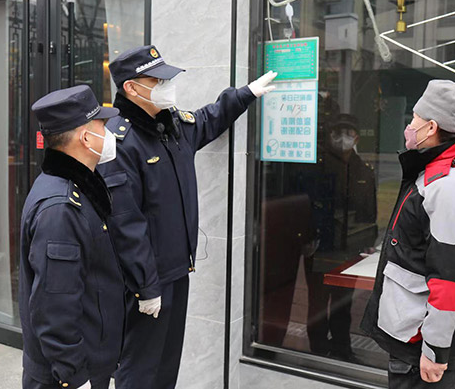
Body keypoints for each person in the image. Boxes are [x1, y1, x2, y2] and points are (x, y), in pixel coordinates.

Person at [97, 45, 276, 389]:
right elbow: (125, 224)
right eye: (158, 80)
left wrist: (246, 94)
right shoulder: (121, 141)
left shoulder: (171, 126)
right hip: (143, 282)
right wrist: (146, 287)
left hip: (177, 271)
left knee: (166, 366)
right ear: (132, 89)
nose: (168, 86)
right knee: (139, 369)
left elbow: (209, 119)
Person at [360, 80, 455, 388]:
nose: (410, 125)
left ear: (432, 126)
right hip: (414, 329)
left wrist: (435, 351)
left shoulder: (449, 185)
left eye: (414, 119)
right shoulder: (441, 172)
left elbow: (451, 277)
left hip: (420, 339)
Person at [19, 85, 124, 389]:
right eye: (102, 126)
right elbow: (55, 307)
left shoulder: (75, 188)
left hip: (89, 363)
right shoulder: (60, 209)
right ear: (86, 137)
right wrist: (74, 376)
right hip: (68, 374)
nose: (110, 133)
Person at [301, 113, 377, 360]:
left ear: (356, 136)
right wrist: (306, 240)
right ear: (331, 135)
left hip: (350, 247)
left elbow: (370, 213)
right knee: (318, 303)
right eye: (338, 131)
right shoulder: (317, 166)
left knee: (343, 303)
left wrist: (367, 244)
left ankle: (343, 349)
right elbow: (305, 206)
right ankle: (319, 349)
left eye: (348, 131)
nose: (343, 137)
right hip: (321, 246)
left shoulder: (364, 169)